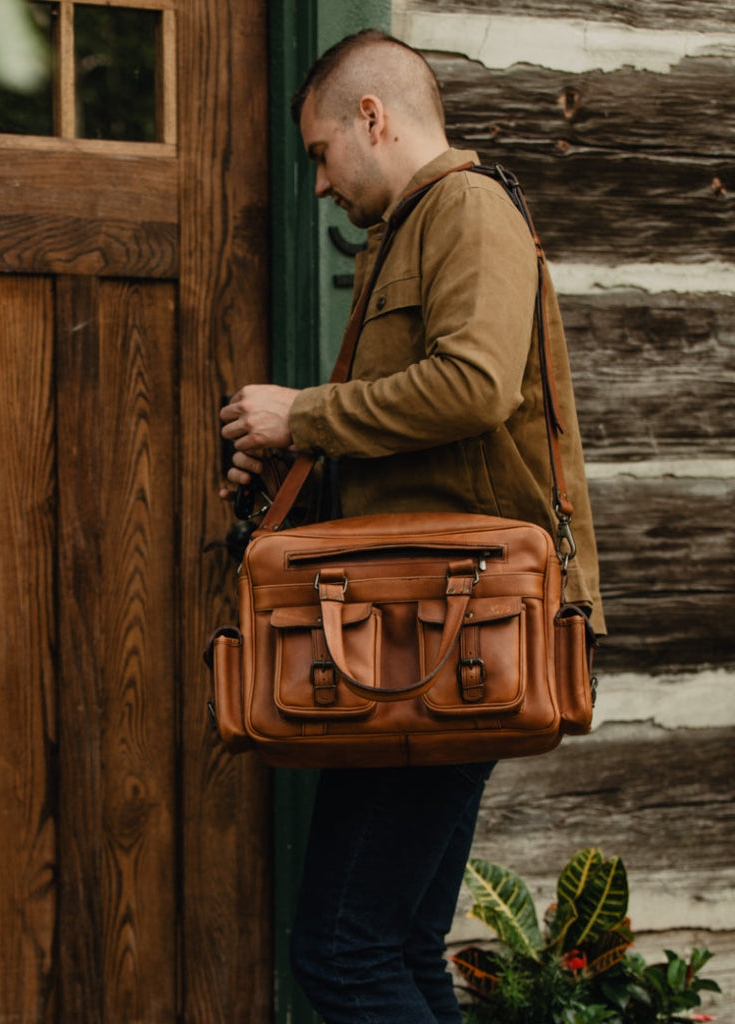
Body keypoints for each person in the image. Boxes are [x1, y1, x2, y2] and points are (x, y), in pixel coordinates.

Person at [219, 29, 605, 1024]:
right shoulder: (408, 228)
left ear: (372, 117)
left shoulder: (466, 210)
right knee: (392, 946)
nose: (317, 184)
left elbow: (472, 387)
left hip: (443, 630)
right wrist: (288, 464)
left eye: (318, 152)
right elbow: (418, 440)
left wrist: (301, 413)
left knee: (342, 953)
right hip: (418, 629)